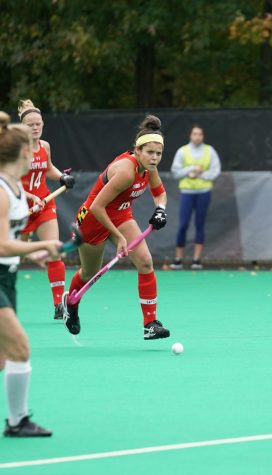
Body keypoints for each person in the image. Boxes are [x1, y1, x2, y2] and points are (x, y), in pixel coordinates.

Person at [62, 115, 170, 340]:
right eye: (150, 152)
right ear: (138, 150)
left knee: (146, 261)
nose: (154, 158)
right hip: (92, 220)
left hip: (120, 215)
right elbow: (97, 206)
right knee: (89, 272)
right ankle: (70, 303)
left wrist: (161, 209)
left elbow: (159, 193)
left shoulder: (149, 169)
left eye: (158, 153)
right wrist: (120, 236)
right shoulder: (125, 172)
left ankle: (150, 323)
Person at [0, 111, 62, 437]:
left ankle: (16, 421)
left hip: (6, 278)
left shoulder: (16, 189)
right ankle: (17, 421)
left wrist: (38, 253)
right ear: (23, 153)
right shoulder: (1, 191)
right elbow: (2, 245)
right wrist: (39, 247)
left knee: (3, 357)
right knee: (20, 349)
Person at [18, 99, 75, 320]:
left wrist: (62, 176)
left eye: (38, 123)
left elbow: (48, 168)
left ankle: (59, 303)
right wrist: (30, 197)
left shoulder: (45, 146)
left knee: (54, 251)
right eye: (30, 124)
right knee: (14, 257)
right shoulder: (14, 149)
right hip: (19, 208)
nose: (35, 127)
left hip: (44, 204)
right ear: (22, 127)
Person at [170, 125, 221, 270]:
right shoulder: (182, 151)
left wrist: (201, 174)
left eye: (200, 134)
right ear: (190, 135)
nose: (197, 136)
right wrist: (190, 170)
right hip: (187, 192)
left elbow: (215, 170)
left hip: (204, 192)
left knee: (200, 225)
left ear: (203, 136)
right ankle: (178, 258)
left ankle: (196, 260)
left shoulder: (209, 151)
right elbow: (175, 172)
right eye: (194, 134)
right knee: (183, 225)